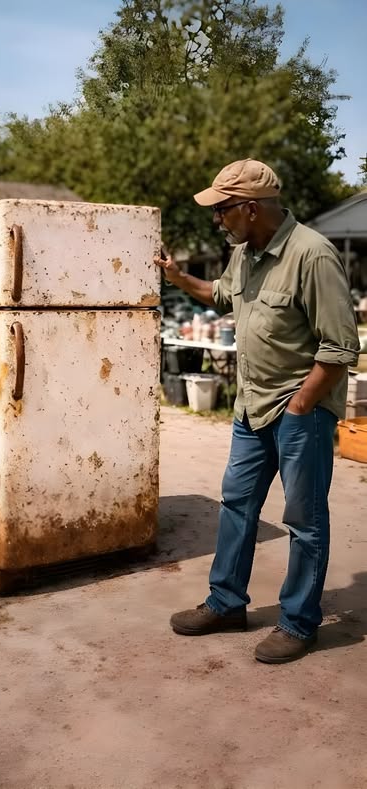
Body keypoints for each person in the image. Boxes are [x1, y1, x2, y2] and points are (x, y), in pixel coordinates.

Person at [155, 159, 360, 664]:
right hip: (250, 408)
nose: (217, 220)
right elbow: (220, 295)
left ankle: (299, 622)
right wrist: (177, 276)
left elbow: (340, 347)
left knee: (304, 520)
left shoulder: (312, 254)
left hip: (298, 411)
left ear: (249, 208)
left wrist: (302, 405)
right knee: (236, 505)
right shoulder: (244, 254)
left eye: (222, 210)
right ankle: (226, 603)